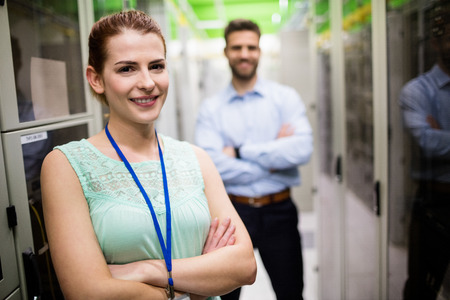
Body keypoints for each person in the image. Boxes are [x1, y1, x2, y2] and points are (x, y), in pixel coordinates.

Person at [40, 10, 256, 300]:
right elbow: (88, 293)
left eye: (156, 66)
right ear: (96, 79)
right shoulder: (66, 165)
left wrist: (148, 271)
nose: (147, 82)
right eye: (127, 69)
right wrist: (199, 281)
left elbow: (244, 266)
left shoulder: (195, 158)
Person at [195, 19, 313, 300]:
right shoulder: (211, 108)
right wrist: (274, 161)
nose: (244, 54)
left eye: (251, 47)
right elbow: (211, 166)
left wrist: (239, 151)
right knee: (225, 296)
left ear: (260, 51)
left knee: (291, 293)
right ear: (226, 52)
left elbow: (302, 149)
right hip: (231, 213)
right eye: (237, 47)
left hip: (279, 211)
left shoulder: (285, 98)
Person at [399, 1, 450, 298]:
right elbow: (428, 143)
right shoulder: (417, 91)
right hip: (435, 203)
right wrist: (435, 136)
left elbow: (436, 139)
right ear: (436, 41)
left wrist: (442, 134)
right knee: (422, 287)